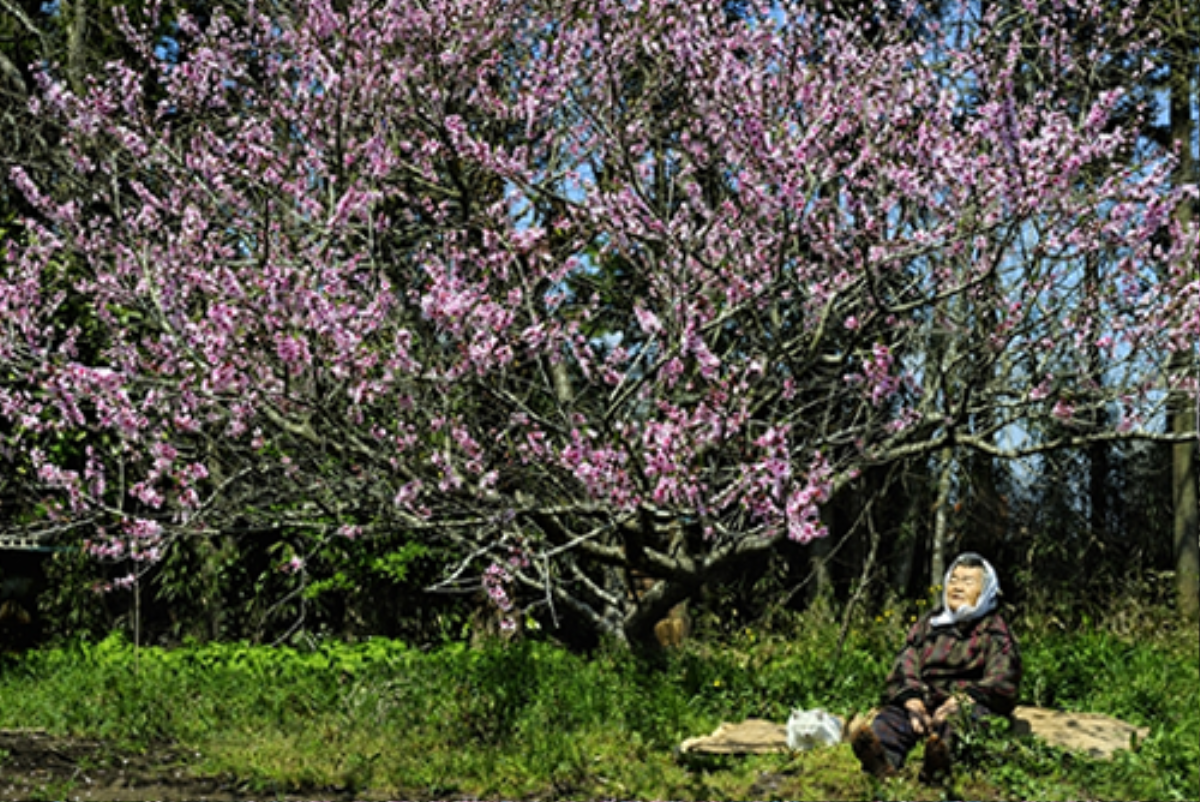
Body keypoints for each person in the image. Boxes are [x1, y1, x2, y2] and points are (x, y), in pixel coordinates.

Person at [851, 552, 1021, 784]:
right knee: (890, 720)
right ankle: (882, 762)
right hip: (924, 700)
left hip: (965, 703)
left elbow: (1004, 675)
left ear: (986, 590)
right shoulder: (929, 623)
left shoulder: (993, 629)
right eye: (953, 580)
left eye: (968, 582)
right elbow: (906, 660)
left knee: (963, 725)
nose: (958, 587)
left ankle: (938, 767)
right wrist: (912, 700)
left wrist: (963, 700)